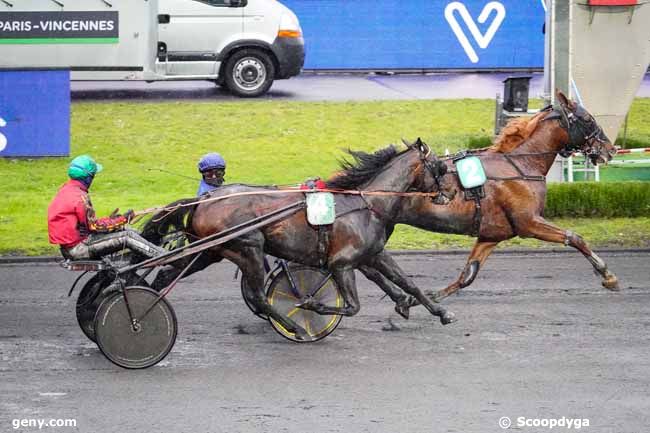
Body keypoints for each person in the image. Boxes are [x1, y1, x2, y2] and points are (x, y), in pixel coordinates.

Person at [48, 155, 165, 260]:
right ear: (88, 178)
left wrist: (113, 220)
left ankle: (155, 248)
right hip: (78, 248)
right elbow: (95, 226)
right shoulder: (80, 198)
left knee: (127, 230)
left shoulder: (67, 190)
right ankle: (163, 256)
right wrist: (122, 219)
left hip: (73, 245)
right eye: (93, 175)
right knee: (127, 236)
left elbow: (90, 224)